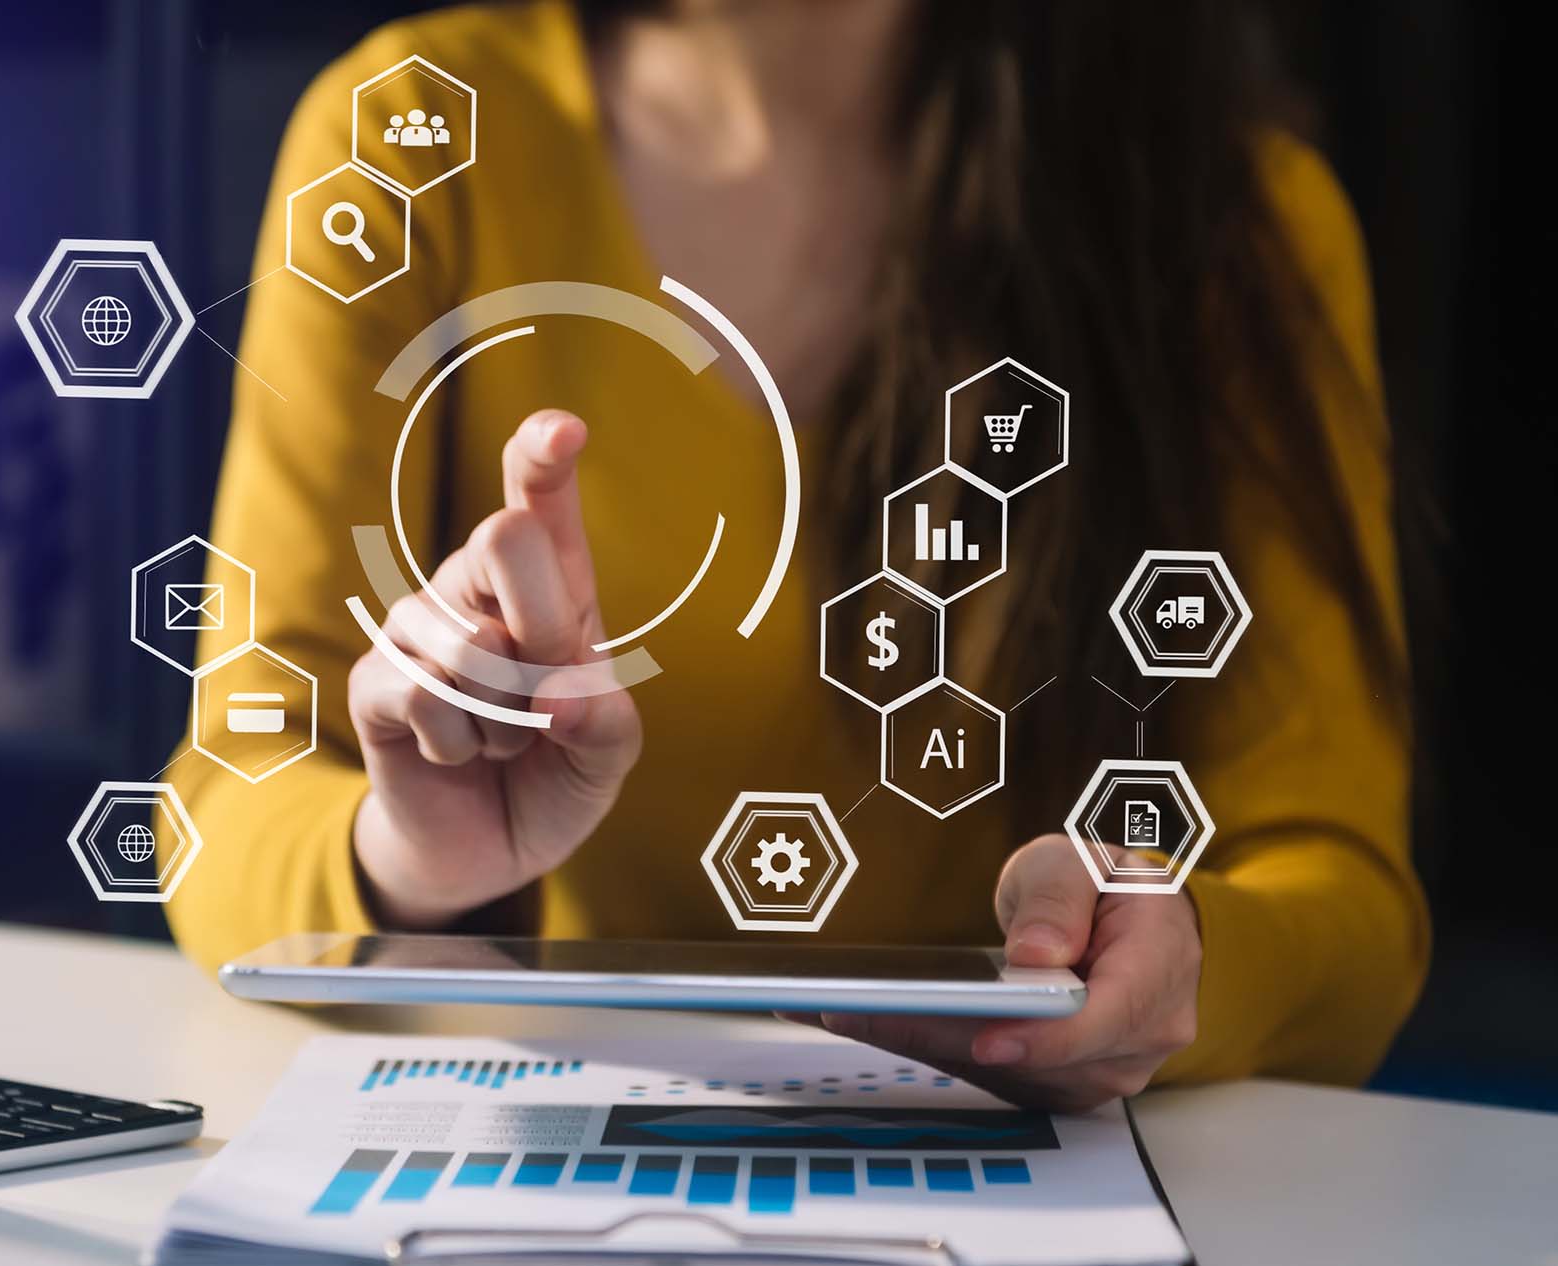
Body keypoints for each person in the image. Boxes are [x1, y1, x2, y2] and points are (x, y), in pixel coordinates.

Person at [166, 0, 1427, 1113]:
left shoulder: (1236, 215)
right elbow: (226, 806)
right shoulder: (411, 135)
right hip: (551, 1134)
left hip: (1033, 1164)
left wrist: (1184, 953)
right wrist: (404, 864)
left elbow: (1346, 905)